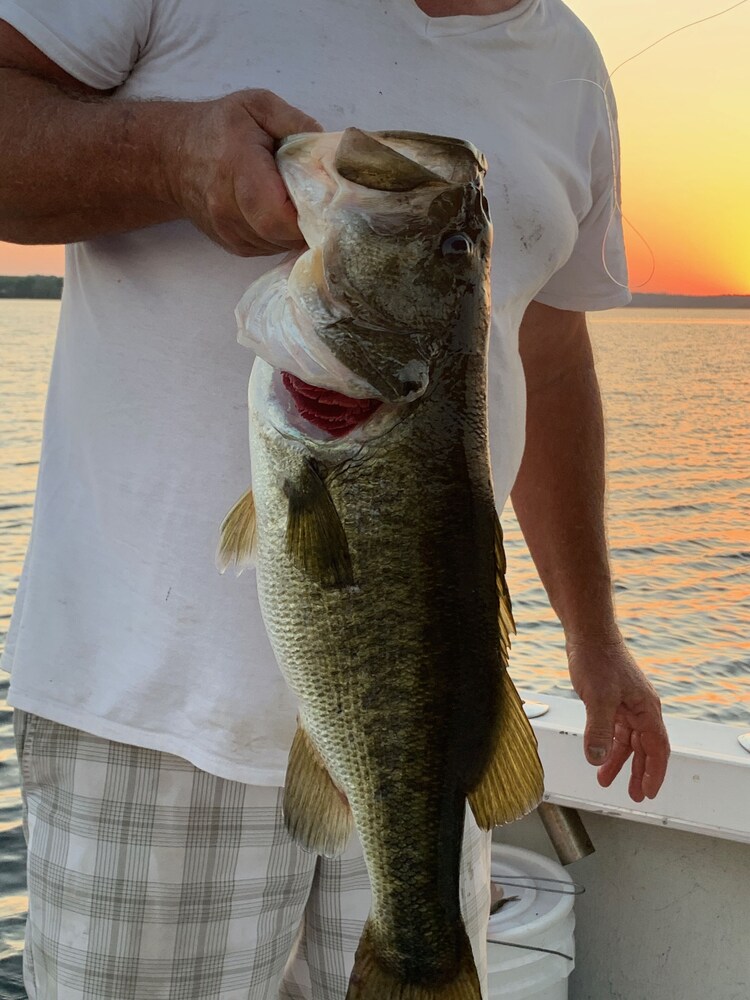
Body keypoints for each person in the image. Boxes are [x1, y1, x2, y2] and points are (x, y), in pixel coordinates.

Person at [0, 0, 671, 996]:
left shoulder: (566, 61)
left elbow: (546, 348)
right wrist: (170, 157)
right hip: (154, 721)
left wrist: (595, 635)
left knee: (420, 948)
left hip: (434, 737)